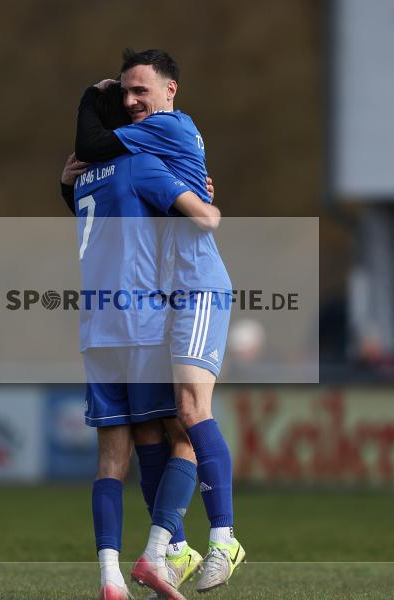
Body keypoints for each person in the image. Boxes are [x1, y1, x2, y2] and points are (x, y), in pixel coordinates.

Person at [75, 48, 244, 595]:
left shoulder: (164, 130)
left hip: (194, 287)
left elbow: (94, 150)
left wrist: (208, 209)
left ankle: (221, 538)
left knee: (191, 413)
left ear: (171, 90)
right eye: (124, 94)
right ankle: (168, 550)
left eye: (140, 90)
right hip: (156, 302)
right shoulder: (144, 151)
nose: (131, 101)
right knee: (157, 426)